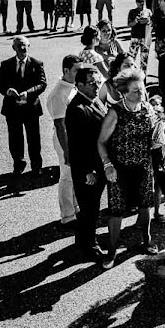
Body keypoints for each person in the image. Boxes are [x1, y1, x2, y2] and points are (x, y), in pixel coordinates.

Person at [97, 68, 164, 265]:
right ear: (124, 92)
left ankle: (147, 240)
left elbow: (153, 135)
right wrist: (107, 165)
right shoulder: (115, 112)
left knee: (145, 205)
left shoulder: (147, 109)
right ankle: (111, 251)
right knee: (116, 211)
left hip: (143, 167)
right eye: (135, 90)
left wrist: (159, 137)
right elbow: (101, 142)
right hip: (119, 168)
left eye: (142, 89)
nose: (141, 93)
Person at [66, 67, 108, 261]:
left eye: (97, 82)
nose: (96, 85)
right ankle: (91, 245)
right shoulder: (77, 109)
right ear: (79, 85)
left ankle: (81, 240)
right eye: (92, 82)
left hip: (99, 164)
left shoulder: (94, 101)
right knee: (90, 209)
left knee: (91, 208)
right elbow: (76, 146)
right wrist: (88, 171)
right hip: (88, 170)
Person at [0, 36, 47, 177]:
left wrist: (28, 93)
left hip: (31, 108)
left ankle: (36, 166)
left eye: (24, 45)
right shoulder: (6, 64)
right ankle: (18, 164)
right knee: (15, 139)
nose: (22, 48)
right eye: (19, 46)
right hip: (12, 109)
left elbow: (42, 84)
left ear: (29, 46)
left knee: (34, 139)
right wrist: (8, 91)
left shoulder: (37, 63)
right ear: (14, 48)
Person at [47, 54, 80, 228]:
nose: (79, 73)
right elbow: (60, 126)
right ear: (66, 70)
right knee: (67, 176)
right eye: (76, 70)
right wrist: (67, 150)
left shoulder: (73, 87)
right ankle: (67, 215)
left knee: (75, 175)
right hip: (65, 139)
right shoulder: (59, 93)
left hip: (75, 137)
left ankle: (75, 207)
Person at [127, 0, 153, 72]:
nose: (141, 3)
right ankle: (131, 75)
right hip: (135, 37)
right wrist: (135, 21)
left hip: (145, 38)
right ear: (136, 2)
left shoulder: (148, 11)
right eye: (139, 1)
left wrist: (148, 21)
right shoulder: (132, 12)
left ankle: (143, 78)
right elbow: (129, 24)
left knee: (144, 60)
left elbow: (153, 23)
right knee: (131, 58)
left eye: (142, 1)